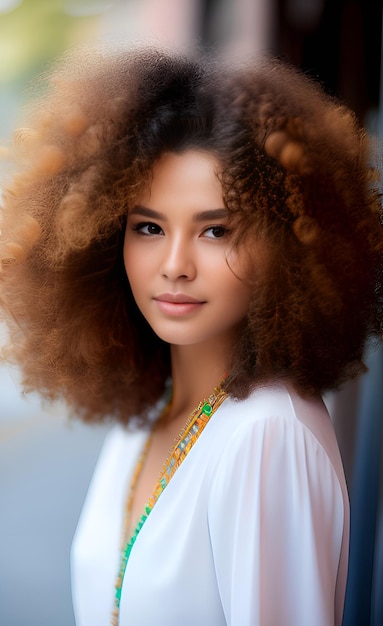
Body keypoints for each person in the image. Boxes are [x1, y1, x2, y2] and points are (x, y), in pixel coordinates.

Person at [0, 44, 382, 626]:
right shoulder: (152, 414)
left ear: (286, 248)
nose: (175, 264)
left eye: (216, 230)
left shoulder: (268, 435)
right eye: (148, 227)